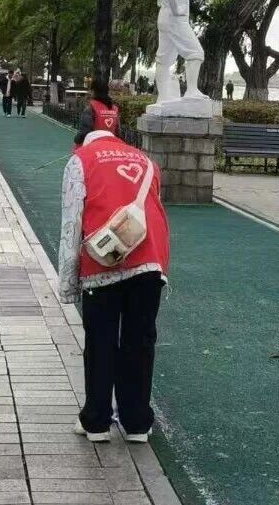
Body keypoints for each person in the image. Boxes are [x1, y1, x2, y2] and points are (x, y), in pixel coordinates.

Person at [58, 125, 170, 444]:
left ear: (79, 140)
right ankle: (137, 424)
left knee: (101, 340)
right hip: (149, 261)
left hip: (103, 262)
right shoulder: (145, 160)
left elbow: (71, 223)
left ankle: (97, 422)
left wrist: (68, 285)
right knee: (140, 341)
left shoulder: (81, 160)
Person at [76, 78, 120, 145]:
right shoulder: (114, 109)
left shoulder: (90, 108)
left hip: (95, 146)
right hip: (111, 145)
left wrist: (77, 140)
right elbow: (117, 132)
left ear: (93, 91)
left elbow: (84, 132)